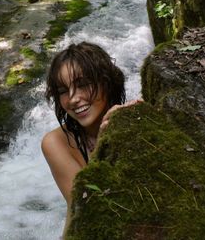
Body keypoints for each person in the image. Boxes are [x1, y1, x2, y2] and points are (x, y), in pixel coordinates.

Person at [41, 41, 140, 236]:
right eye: (63, 91)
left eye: (82, 84)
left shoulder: (134, 124)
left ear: (106, 82)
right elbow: (88, 208)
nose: (72, 98)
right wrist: (103, 147)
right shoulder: (55, 143)